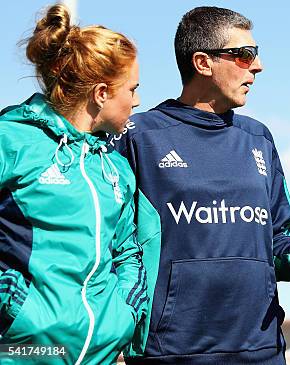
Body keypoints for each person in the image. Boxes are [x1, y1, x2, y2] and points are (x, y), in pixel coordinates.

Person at [111, 6, 290, 365]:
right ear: (203, 62)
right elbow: (112, 244)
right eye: (244, 55)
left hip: (260, 350)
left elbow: (276, 237)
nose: (257, 66)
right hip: (171, 352)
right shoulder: (138, 137)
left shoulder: (258, 138)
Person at [0, 4, 149, 364]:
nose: (138, 100)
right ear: (101, 93)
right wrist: (15, 305)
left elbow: (128, 252)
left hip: (103, 354)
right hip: (27, 351)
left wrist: (123, 318)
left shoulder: (115, 166)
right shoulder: (11, 140)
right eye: (132, 89)